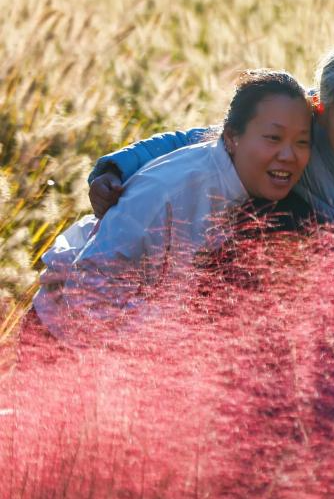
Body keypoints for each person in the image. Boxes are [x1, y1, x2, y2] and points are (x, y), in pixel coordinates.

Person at [88, 40, 334, 311]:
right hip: (317, 304)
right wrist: (117, 167)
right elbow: (207, 140)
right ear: (321, 108)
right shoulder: (298, 136)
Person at [31, 70, 313, 342]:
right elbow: (86, 295)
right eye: (273, 138)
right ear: (231, 137)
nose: (288, 155)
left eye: (302, 141)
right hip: (57, 339)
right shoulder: (168, 191)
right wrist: (181, 331)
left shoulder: (249, 183)